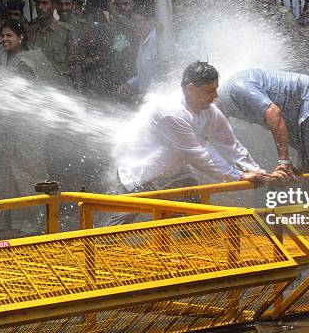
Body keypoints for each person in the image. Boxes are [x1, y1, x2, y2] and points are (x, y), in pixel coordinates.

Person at [107, 61, 272, 225]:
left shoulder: (211, 111)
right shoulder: (170, 111)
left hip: (172, 173)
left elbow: (231, 145)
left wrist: (259, 172)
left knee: (194, 216)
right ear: (191, 89)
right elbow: (198, 155)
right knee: (117, 227)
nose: (215, 96)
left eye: (216, 89)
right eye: (209, 91)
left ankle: (190, 248)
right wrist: (239, 175)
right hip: (139, 175)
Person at [218, 68, 309, 192]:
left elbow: (273, 113)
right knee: (308, 178)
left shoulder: (236, 88)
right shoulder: (222, 102)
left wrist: (284, 162)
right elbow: (225, 143)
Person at [27, 0, 74, 85]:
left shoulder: (66, 32)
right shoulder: (30, 32)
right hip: (39, 88)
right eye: (38, 3)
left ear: (54, 6)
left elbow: (74, 64)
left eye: (45, 3)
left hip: (62, 88)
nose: (40, 7)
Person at [0, 20, 63, 84]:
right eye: (2, 36)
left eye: (9, 35)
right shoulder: (0, 55)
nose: (4, 39)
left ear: (20, 37)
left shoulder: (27, 61)